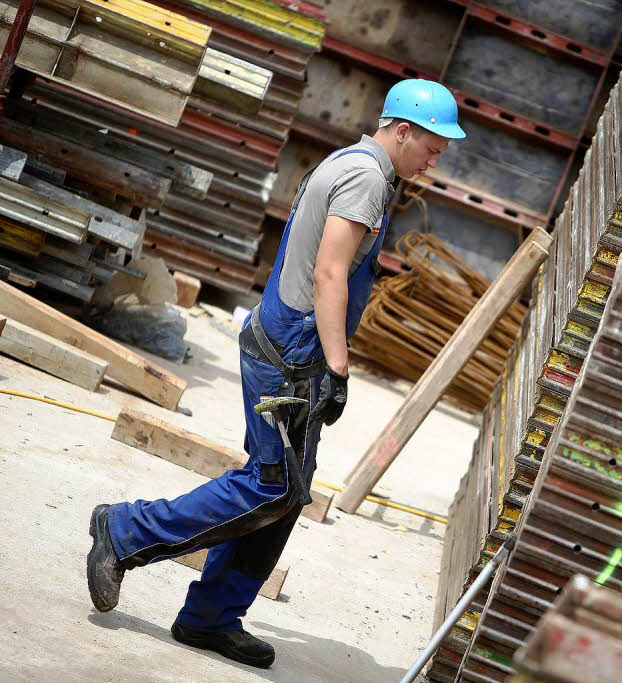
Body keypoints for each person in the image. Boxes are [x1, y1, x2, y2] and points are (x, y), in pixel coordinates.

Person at [86, 79, 466, 668]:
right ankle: (126, 531)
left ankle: (210, 618)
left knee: (283, 492)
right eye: (434, 143)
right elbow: (330, 275)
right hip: (290, 356)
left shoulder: (355, 165)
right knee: (271, 486)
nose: (437, 156)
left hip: (290, 349)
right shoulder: (366, 179)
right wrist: (337, 369)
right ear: (402, 129)